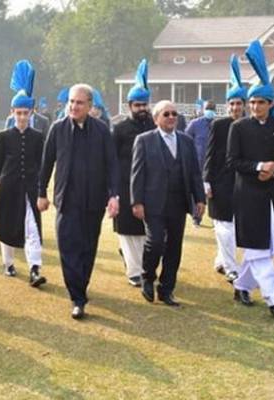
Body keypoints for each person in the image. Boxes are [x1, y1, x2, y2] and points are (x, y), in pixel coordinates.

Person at [226, 41, 274, 319]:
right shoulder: (238, 127)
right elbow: (233, 161)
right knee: (258, 248)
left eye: (260, 102)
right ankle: (272, 298)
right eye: (251, 101)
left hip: (272, 194)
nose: (254, 106)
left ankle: (242, 285)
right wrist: (258, 166)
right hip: (247, 195)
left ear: (271, 103)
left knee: (265, 245)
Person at [38, 84, 119, 319]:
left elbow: (112, 164)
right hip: (67, 200)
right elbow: (47, 163)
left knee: (87, 248)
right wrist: (41, 192)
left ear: (90, 106)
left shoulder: (102, 131)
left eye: (79, 102)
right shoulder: (57, 129)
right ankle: (77, 297)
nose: (74, 106)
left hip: (94, 201)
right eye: (71, 102)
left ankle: (81, 286)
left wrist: (114, 194)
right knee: (68, 247)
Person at [131, 100, 206, 307]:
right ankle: (147, 276)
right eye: (166, 114)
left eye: (174, 114)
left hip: (178, 202)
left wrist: (199, 198)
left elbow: (194, 173)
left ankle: (166, 290)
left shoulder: (186, 141)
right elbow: (137, 173)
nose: (172, 117)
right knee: (155, 243)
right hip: (153, 202)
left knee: (174, 247)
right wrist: (136, 201)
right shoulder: (144, 140)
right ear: (156, 119)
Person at [0, 60, 47, 287]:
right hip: (9, 186)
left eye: (26, 113)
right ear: (12, 112)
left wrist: (40, 187)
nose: (23, 117)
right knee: (7, 224)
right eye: (19, 113)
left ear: (31, 112)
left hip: (31, 187)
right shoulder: (4, 136)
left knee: (33, 227)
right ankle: (8, 263)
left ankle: (35, 269)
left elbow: (41, 162)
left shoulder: (37, 136)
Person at [112, 59, 156, 287]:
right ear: (129, 106)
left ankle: (139, 265)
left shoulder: (154, 126)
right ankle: (134, 272)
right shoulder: (119, 129)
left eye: (144, 105)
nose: (141, 109)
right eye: (137, 105)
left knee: (146, 230)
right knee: (129, 231)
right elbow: (111, 160)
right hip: (124, 185)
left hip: (150, 186)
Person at [203, 55, 246, 283]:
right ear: (227, 105)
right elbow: (210, 154)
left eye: (239, 103)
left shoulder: (249, 125)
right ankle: (231, 267)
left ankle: (221, 259)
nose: (235, 107)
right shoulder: (218, 125)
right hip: (220, 182)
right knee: (223, 226)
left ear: (244, 105)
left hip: (242, 183)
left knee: (232, 226)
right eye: (231, 103)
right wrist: (206, 181)